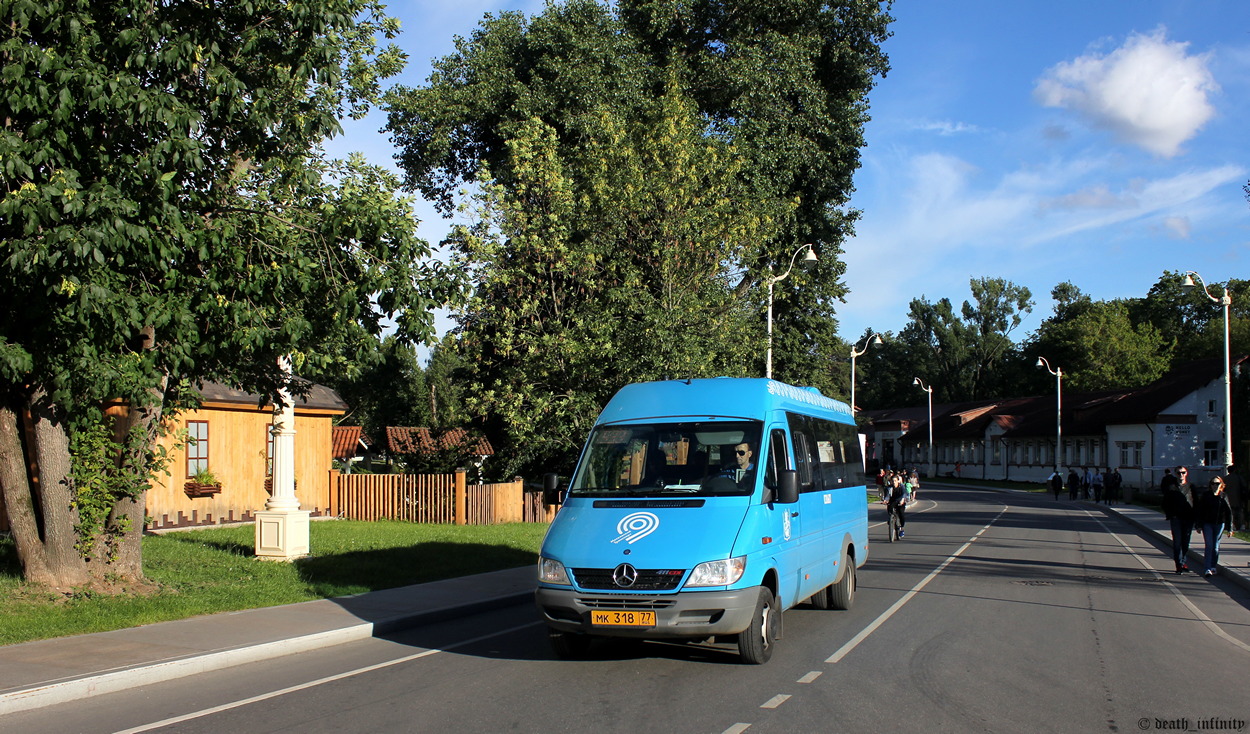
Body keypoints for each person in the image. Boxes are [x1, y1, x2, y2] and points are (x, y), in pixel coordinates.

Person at [1193, 476, 1233, 577]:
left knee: (1215, 547)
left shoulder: (1223, 496)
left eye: (1217, 484)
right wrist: (1198, 525)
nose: (1215, 486)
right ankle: (1207, 568)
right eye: (1213, 484)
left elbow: (1229, 512)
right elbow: (1200, 510)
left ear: (1221, 485)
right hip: (1207, 524)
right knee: (1209, 545)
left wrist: (1230, 528)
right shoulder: (1206, 496)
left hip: (1219, 524)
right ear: (1210, 485)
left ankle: (1213, 566)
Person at [1160, 466, 1196, 574]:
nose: (1181, 475)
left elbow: (1196, 502)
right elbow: (1165, 502)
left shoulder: (1191, 487)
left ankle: (1184, 562)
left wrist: (1197, 518)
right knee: (1177, 542)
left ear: (1186, 474)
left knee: (1185, 542)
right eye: (1179, 473)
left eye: (1183, 473)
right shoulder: (1172, 487)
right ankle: (1178, 564)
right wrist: (1170, 514)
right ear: (1175, 474)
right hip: (1176, 518)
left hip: (1188, 518)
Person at [886, 472, 909, 538]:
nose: (894, 482)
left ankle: (902, 528)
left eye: (895, 481)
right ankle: (891, 519)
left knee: (901, 513)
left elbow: (904, 494)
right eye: (892, 481)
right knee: (889, 507)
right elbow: (887, 495)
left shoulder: (901, 486)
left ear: (898, 481)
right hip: (893, 501)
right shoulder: (889, 487)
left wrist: (902, 500)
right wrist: (885, 499)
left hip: (900, 501)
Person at [1223, 464, 1245, 532]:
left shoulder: (1225, 479)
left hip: (1228, 498)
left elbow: (1222, 488)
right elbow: (1244, 486)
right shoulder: (1239, 478)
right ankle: (1241, 525)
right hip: (1238, 497)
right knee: (1239, 512)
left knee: (1231, 512)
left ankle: (1232, 525)